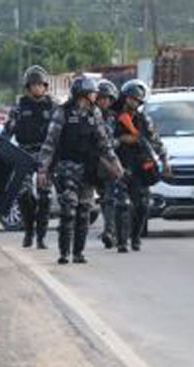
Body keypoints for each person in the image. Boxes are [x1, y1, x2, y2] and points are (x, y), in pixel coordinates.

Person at [38, 77, 120, 264]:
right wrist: (43, 169)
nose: (95, 96)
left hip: (88, 170)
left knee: (84, 211)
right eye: (92, 92)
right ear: (83, 94)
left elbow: (104, 142)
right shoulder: (63, 112)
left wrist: (115, 164)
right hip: (66, 167)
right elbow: (50, 142)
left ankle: (78, 253)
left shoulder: (95, 113)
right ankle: (64, 253)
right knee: (68, 211)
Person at [3, 65, 57, 249]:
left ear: (45, 86)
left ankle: (41, 237)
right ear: (27, 87)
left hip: (45, 154)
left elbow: (61, 133)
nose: (36, 88)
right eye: (33, 85)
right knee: (23, 194)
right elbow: (7, 132)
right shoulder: (19, 108)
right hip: (24, 153)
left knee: (45, 197)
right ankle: (29, 230)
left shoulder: (54, 107)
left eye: (40, 85)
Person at [112, 79, 168, 252]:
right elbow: (104, 141)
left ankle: (135, 238)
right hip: (119, 165)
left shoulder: (144, 120)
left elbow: (155, 141)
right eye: (130, 99)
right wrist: (121, 140)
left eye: (136, 100)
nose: (133, 102)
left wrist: (164, 160)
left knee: (142, 205)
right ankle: (122, 241)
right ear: (124, 98)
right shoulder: (113, 119)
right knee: (122, 205)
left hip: (140, 166)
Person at [94, 79, 121, 250]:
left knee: (109, 198)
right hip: (92, 162)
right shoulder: (89, 115)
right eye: (101, 98)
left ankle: (110, 231)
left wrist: (116, 143)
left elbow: (122, 138)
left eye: (107, 99)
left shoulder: (115, 118)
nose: (104, 101)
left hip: (110, 162)